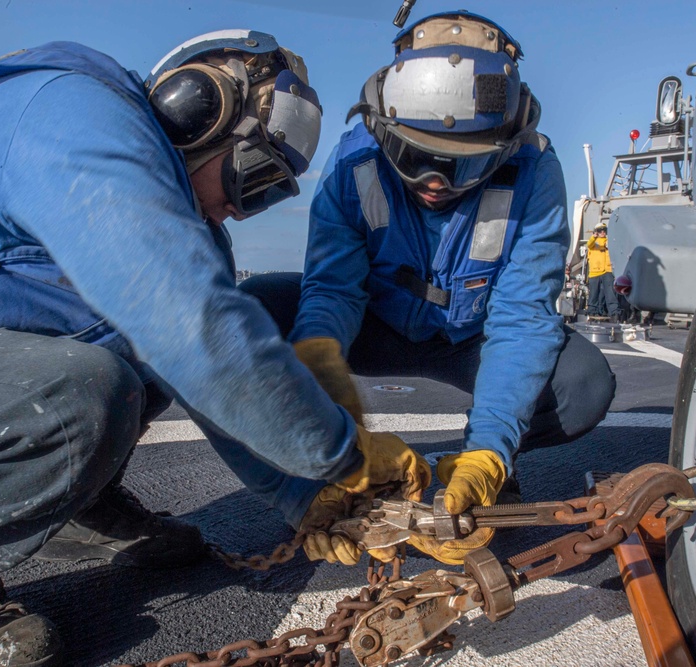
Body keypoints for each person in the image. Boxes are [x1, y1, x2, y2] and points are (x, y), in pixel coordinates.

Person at [0, 33, 430, 666]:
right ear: (195, 107)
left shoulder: (179, 215)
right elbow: (187, 322)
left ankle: (74, 504)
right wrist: (341, 455)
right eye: (250, 178)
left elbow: (212, 373)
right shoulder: (66, 117)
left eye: (269, 196)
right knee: (83, 391)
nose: (238, 209)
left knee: (253, 308)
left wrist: (305, 497)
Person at [239, 11, 616, 566]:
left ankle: (481, 465)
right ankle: (315, 481)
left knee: (583, 385)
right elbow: (334, 294)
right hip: (375, 325)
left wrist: (490, 449)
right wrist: (328, 437)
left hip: (475, 339)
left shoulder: (535, 171)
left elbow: (521, 318)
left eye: (463, 167)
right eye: (416, 159)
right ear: (383, 127)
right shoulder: (355, 161)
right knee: (253, 313)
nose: (437, 184)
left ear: (504, 144)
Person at [586, 221, 620, 321]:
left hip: (607, 271)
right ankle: (592, 312)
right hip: (595, 272)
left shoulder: (610, 242)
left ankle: (614, 313)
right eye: (599, 230)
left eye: (604, 230)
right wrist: (594, 236)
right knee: (593, 294)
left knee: (611, 293)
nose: (602, 232)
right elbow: (589, 244)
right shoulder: (593, 242)